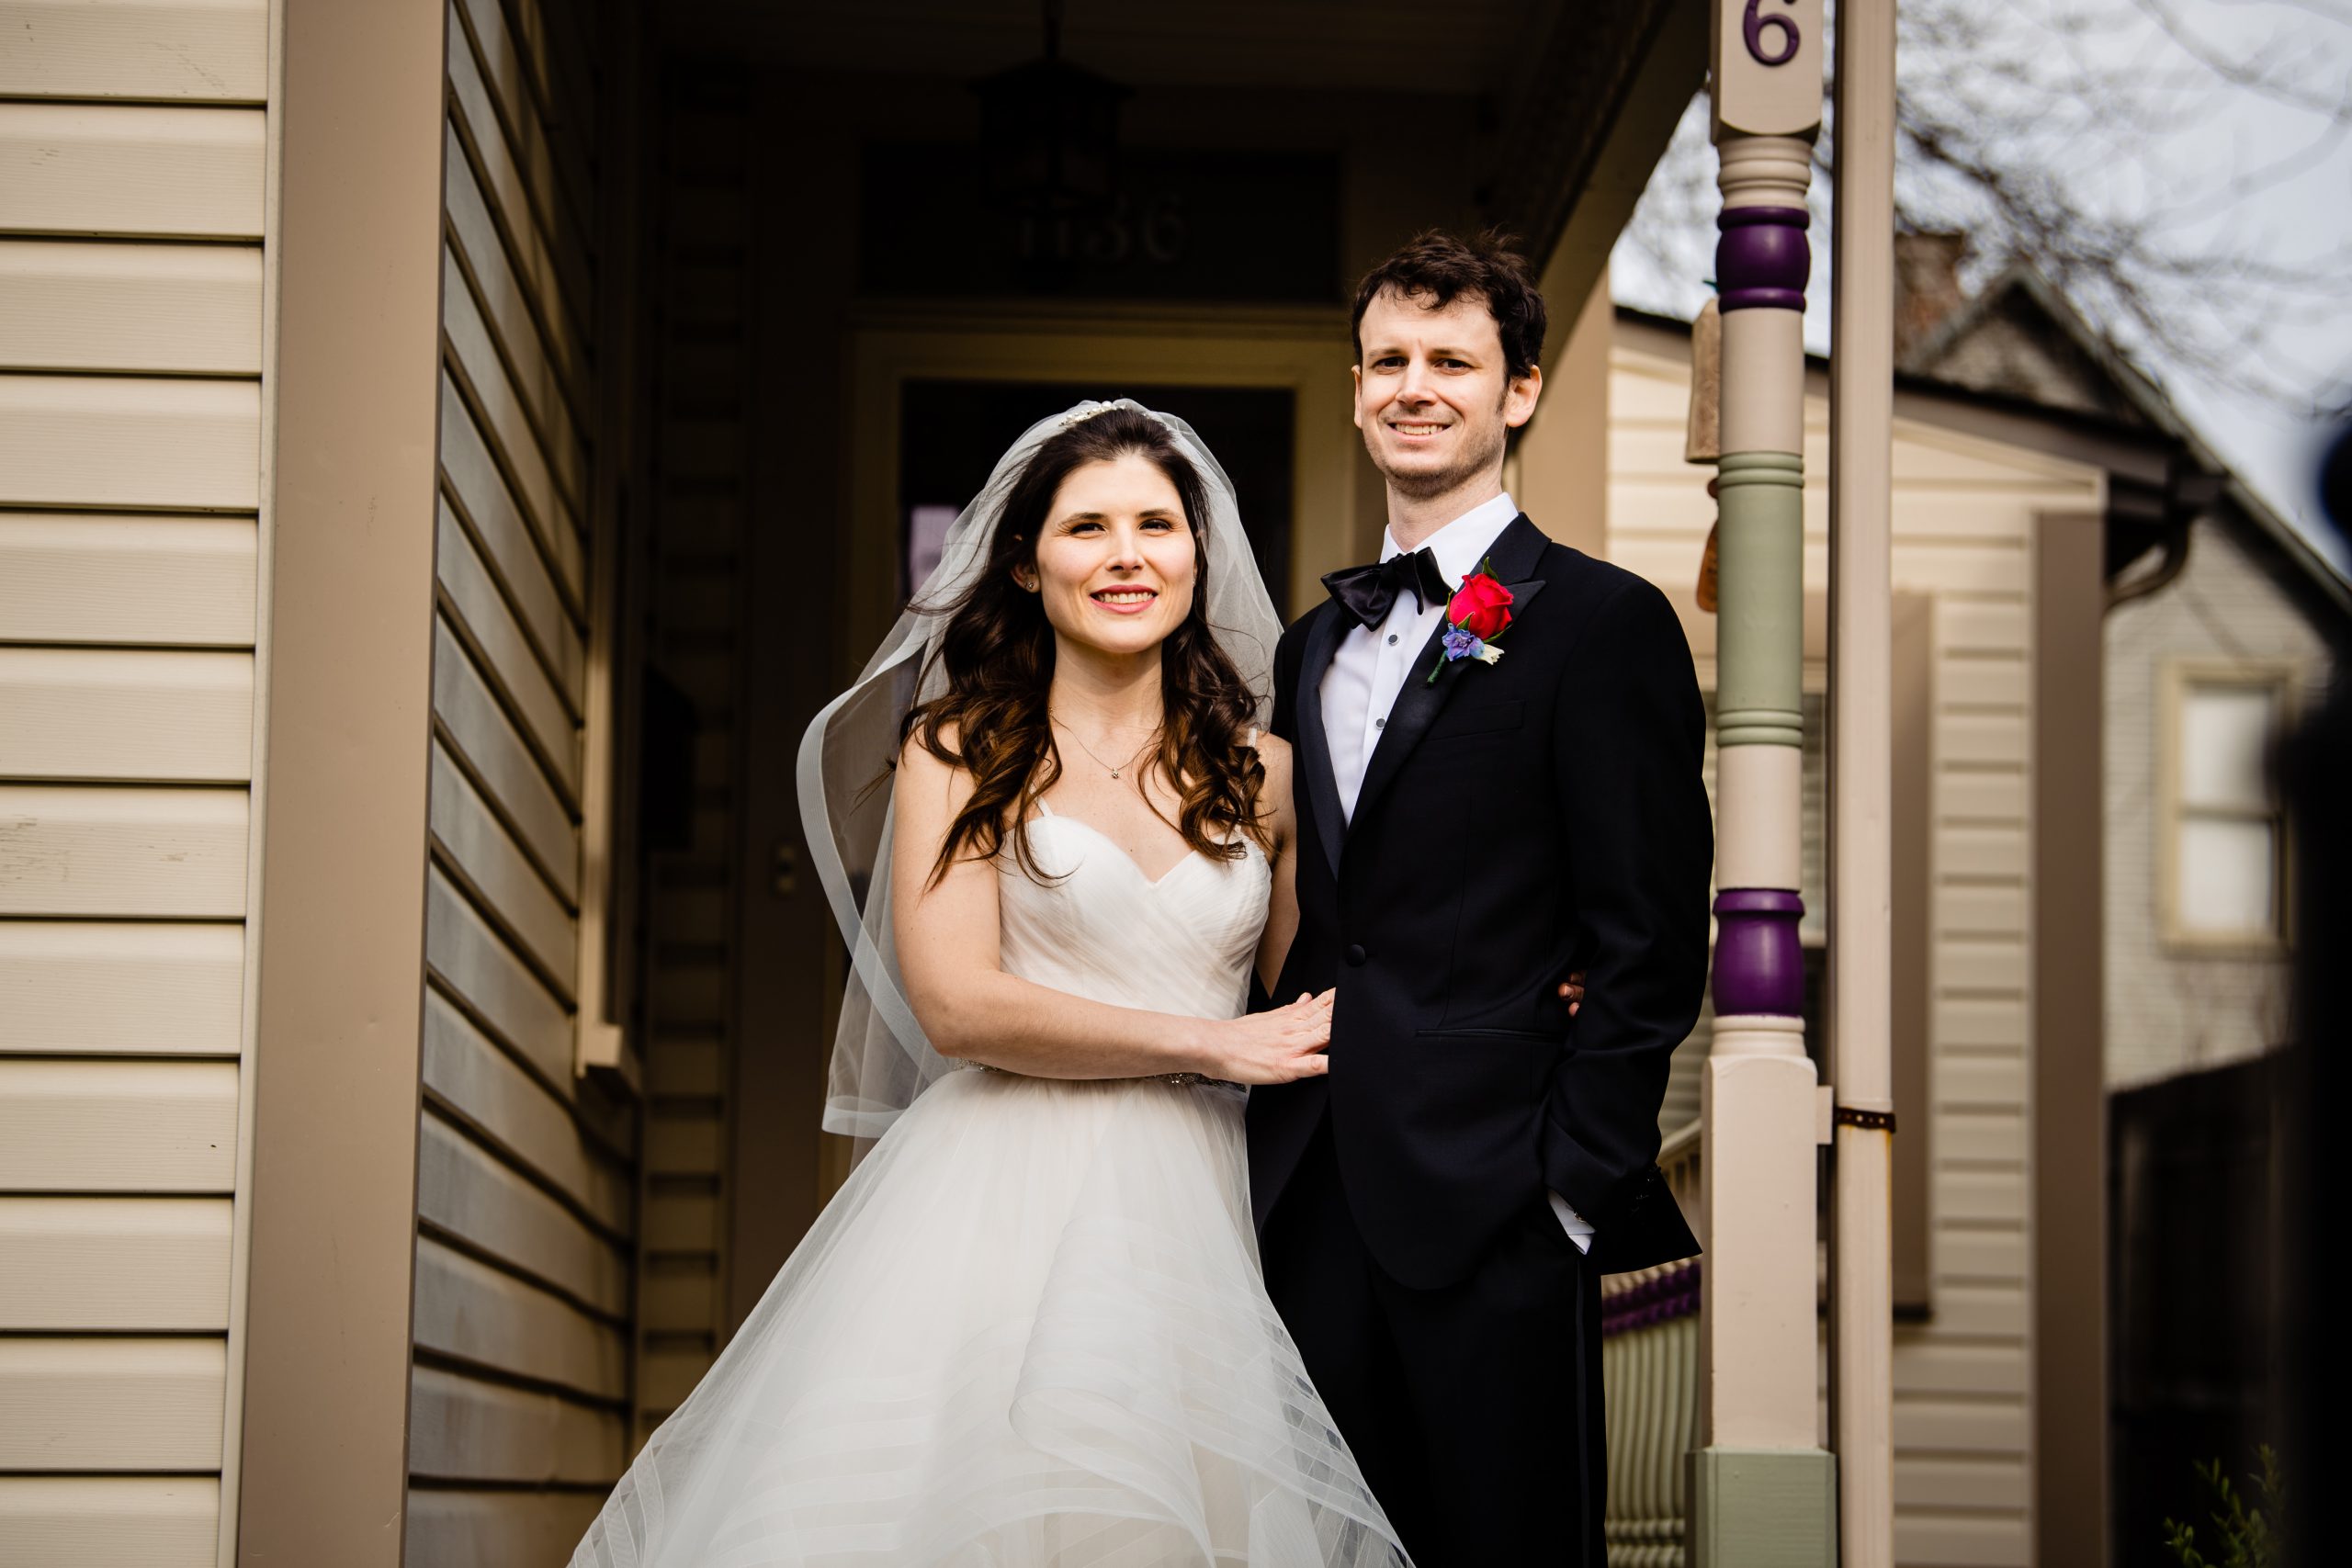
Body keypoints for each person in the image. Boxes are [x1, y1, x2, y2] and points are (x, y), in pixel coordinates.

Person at [571, 402, 1414, 1567]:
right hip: (1002, 1204)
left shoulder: (1262, 771)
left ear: (1197, 554)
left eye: (1157, 525)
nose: (1128, 555)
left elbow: (1320, 986)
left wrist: (1529, 982)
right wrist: (1212, 1045)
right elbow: (959, 1005)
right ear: (1026, 564)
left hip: (1205, 1205)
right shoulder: (961, 750)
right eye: (1087, 528)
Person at [1247, 231, 1713, 1566]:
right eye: (1388, 358)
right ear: (1353, 390)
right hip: (1311, 1182)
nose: (1415, 384)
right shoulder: (1311, 643)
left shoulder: (1600, 623)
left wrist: (1569, 1183)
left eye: (1452, 359)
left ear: (1520, 391)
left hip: (1498, 1194)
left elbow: (1647, 933)